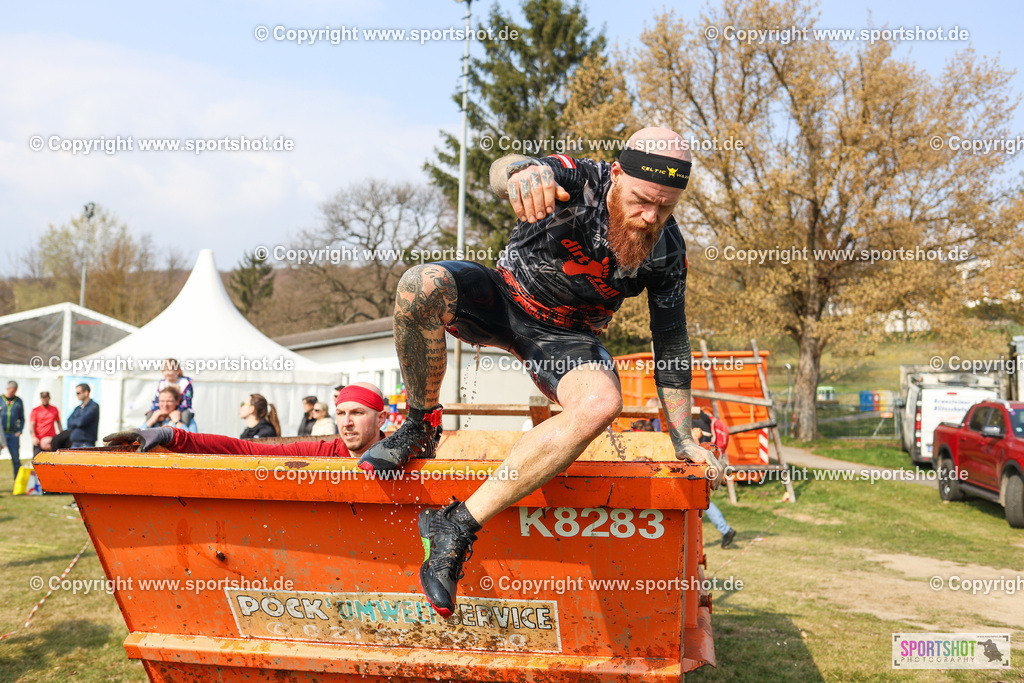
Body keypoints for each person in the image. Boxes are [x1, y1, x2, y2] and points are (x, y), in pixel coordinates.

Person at [350, 126, 723, 616]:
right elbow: (503, 170)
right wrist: (521, 174)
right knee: (421, 284)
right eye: (641, 201)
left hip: (564, 341)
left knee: (602, 403)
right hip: (503, 300)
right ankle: (420, 427)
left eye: (665, 207)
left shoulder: (667, 251)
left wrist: (684, 439)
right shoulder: (579, 180)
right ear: (616, 174)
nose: (650, 217)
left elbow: (671, 344)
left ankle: (455, 525)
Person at [103, 382, 389, 459]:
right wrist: (172, 435)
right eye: (341, 413)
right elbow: (245, 449)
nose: (346, 422)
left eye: (357, 413)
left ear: (380, 419)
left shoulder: (406, 458)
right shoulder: (322, 453)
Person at [691, 406, 736, 548]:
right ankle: (725, 530)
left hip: (697, 467)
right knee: (704, 502)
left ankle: (725, 530)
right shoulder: (704, 419)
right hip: (705, 467)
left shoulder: (692, 421)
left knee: (702, 502)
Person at [148, 359, 194, 427]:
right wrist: (158, 410)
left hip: (181, 409)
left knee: (186, 415)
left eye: (169, 370)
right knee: (150, 415)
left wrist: (177, 411)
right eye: (164, 370)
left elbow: (187, 402)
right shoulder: (162, 383)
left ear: (178, 371)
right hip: (165, 408)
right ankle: (149, 431)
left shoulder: (185, 383)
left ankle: (183, 430)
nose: (167, 373)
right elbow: (157, 399)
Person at [1, 381, 25, 479]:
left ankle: (17, 481)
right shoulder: (0, 399)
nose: (13, 393)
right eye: (12, 391)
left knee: (16, 459)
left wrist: (19, 431)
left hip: (13, 434)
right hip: (1, 434)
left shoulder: (18, 401)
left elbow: (22, 418)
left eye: (15, 391)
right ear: (7, 389)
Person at [66, 384, 100, 448]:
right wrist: (77, 421)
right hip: (74, 444)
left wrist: (75, 421)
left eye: (78, 393)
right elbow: (68, 422)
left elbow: (81, 422)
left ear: (86, 393)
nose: (76, 395)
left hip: (86, 444)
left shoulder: (93, 406)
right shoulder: (78, 408)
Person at [29, 391, 62, 457]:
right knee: (37, 459)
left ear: (49, 398)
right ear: (41, 398)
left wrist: (60, 434)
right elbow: (32, 424)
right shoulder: (36, 410)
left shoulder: (54, 409)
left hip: (51, 439)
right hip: (39, 439)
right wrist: (33, 437)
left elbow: (58, 423)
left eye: (46, 397)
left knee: (52, 459)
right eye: (43, 398)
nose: (44, 399)